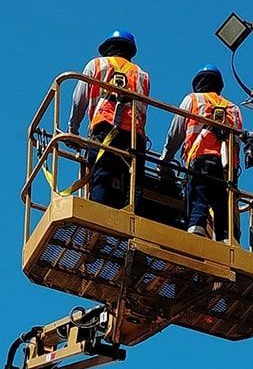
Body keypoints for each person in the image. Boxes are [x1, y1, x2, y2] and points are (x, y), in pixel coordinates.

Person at [69, 31, 150, 209]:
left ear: (108, 48)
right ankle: (132, 216)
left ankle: (98, 216)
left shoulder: (96, 64)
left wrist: (73, 130)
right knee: (133, 182)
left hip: (104, 128)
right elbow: (143, 111)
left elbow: (79, 99)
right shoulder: (142, 75)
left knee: (102, 174)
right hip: (134, 137)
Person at [161, 69, 243, 240]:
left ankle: (195, 237)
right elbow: (237, 143)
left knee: (198, 198)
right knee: (223, 208)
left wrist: (165, 161)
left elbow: (175, 135)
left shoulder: (193, 100)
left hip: (201, 161)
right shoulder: (233, 109)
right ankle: (227, 241)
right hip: (227, 170)